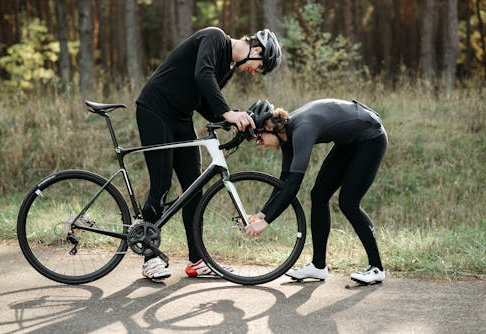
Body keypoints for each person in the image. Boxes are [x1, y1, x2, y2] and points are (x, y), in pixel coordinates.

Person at [135, 27, 282, 280]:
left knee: (194, 189)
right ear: (256, 50)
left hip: (181, 117)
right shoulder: (214, 38)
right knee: (162, 183)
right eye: (259, 66)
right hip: (154, 109)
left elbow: (205, 100)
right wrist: (227, 112)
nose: (255, 71)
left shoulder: (228, 67)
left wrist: (233, 120)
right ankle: (149, 257)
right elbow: (202, 75)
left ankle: (197, 261)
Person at [245, 99, 388, 284]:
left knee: (348, 203)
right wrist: (263, 213)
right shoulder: (286, 135)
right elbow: (284, 181)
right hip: (349, 142)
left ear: (269, 126)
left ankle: (377, 268)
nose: (260, 144)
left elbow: (295, 184)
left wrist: (266, 222)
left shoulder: (301, 129)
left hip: (371, 138)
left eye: (259, 138)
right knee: (319, 195)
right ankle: (318, 266)